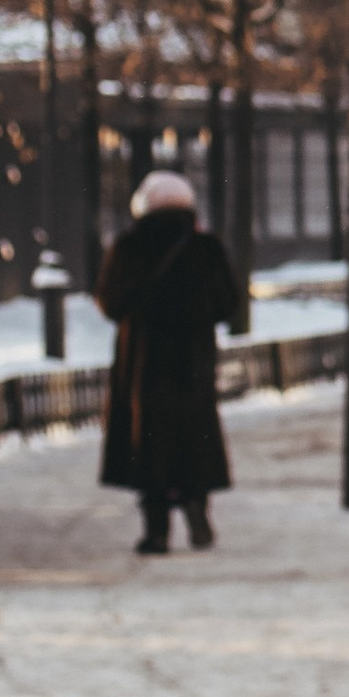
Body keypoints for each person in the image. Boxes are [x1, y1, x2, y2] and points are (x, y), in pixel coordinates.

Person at [97, 170, 244, 555]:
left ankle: (157, 530)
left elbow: (110, 302)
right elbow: (228, 302)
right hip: (193, 364)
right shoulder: (206, 248)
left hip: (144, 366)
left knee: (148, 443)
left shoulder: (129, 247)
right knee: (194, 436)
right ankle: (196, 506)